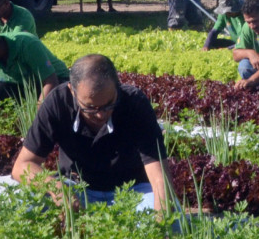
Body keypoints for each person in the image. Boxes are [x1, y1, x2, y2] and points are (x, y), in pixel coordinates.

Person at [11, 54, 171, 213]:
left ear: (117, 87)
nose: (101, 114)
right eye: (90, 107)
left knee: (171, 218)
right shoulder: (58, 103)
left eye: (108, 104)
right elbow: (22, 166)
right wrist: (56, 187)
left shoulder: (134, 102)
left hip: (132, 191)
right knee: (23, 204)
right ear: (72, 91)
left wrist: (161, 222)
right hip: (76, 189)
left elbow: (159, 175)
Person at [0, 24, 68, 105]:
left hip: (56, 80)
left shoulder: (27, 45)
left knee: (61, 100)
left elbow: (51, 81)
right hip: (24, 84)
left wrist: (37, 114)